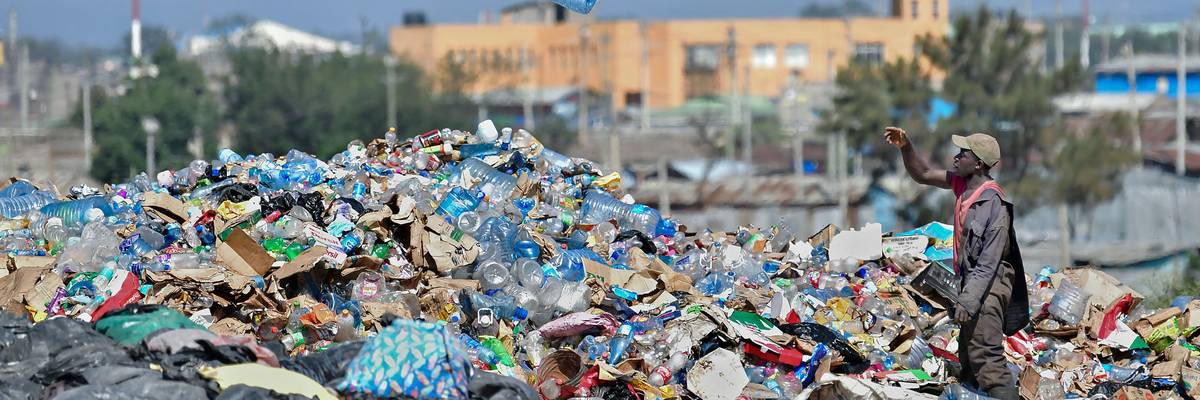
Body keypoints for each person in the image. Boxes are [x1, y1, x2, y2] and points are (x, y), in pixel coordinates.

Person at [884, 127, 1029, 400]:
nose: (956, 157)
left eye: (963, 153)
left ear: (978, 164)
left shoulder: (993, 204)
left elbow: (989, 262)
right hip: (974, 284)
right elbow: (923, 174)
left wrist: (968, 302)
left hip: (989, 287)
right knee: (969, 360)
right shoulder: (962, 185)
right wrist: (906, 145)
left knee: (987, 359)